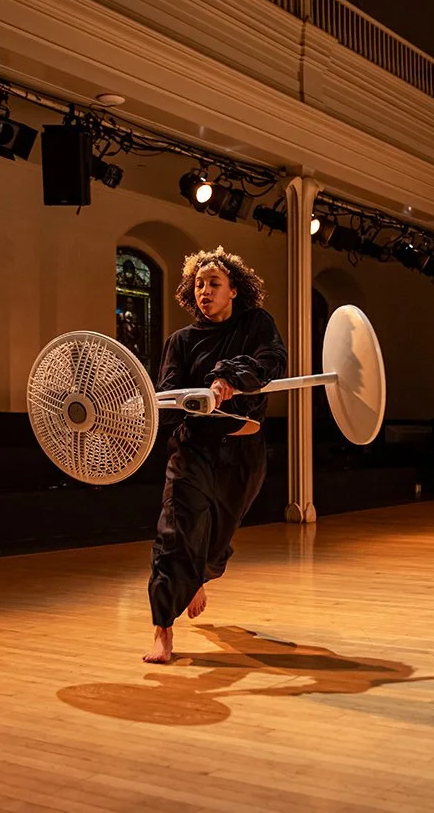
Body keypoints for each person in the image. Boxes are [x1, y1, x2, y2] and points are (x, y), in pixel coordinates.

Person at [144, 247, 287, 663]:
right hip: (194, 451)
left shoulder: (258, 325)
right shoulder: (181, 341)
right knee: (175, 533)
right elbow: (167, 392)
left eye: (214, 284)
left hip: (245, 455)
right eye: (199, 285)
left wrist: (230, 378)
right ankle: (162, 632)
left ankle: (198, 575)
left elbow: (272, 362)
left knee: (218, 538)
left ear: (235, 290)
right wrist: (179, 401)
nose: (204, 291)